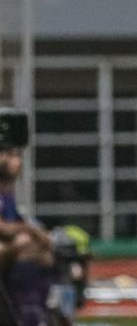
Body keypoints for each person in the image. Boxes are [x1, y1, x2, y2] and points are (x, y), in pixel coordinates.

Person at [0, 108, 55, 326]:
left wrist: (38, 234)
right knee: (15, 246)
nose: (17, 162)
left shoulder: (7, 192)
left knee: (45, 251)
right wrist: (30, 232)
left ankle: (34, 314)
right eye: (11, 155)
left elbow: (14, 223)